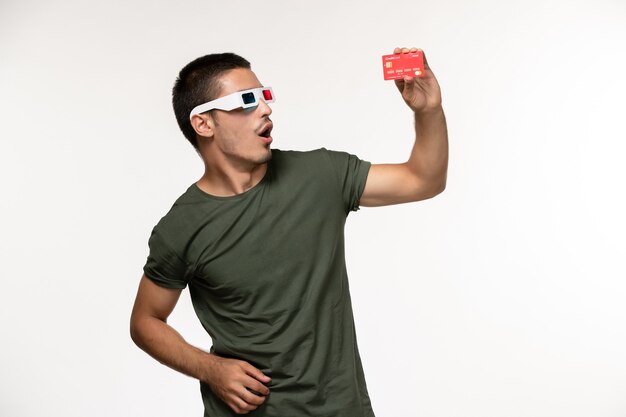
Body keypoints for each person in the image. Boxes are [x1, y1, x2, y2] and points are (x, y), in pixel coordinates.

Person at [130, 47, 448, 416]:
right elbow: (145, 321)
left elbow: (423, 180)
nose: (266, 109)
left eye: (265, 96)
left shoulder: (320, 176)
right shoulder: (181, 227)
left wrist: (428, 111)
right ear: (204, 124)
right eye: (246, 100)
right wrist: (211, 368)